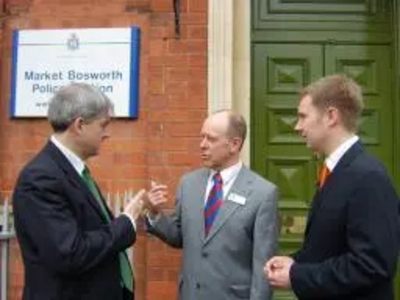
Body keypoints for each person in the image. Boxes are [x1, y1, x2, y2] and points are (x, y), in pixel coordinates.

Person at [265, 74, 400, 300]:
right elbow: (332, 246)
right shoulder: (336, 170)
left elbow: (372, 265)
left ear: (330, 116)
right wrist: (295, 262)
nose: (298, 127)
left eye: (302, 116)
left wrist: (297, 275)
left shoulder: (368, 176)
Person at [13, 83, 145, 300]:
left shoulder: (72, 170)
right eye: (103, 125)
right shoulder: (40, 178)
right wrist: (126, 223)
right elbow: (70, 253)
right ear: (80, 125)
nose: (107, 135)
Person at [144, 110, 279, 300]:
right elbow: (179, 236)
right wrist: (154, 213)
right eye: (202, 137)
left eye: (211, 139)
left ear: (234, 144)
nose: (202, 145)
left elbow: (263, 266)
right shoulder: (188, 184)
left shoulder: (263, 193)